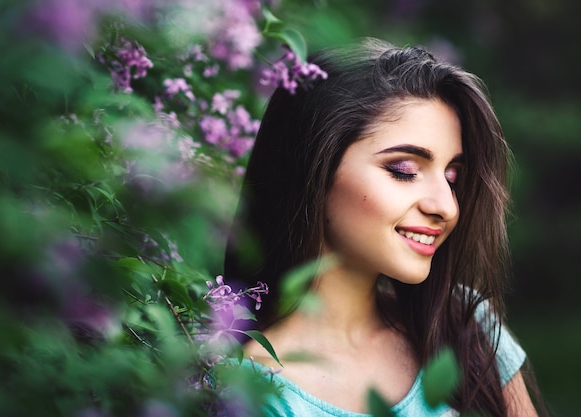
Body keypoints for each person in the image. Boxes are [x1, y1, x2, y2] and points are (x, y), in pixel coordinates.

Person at [225, 38, 546, 416]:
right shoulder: (235, 383)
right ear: (312, 168)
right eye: (404, 171)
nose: (446, 207)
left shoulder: (464, 327)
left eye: (452, 178)